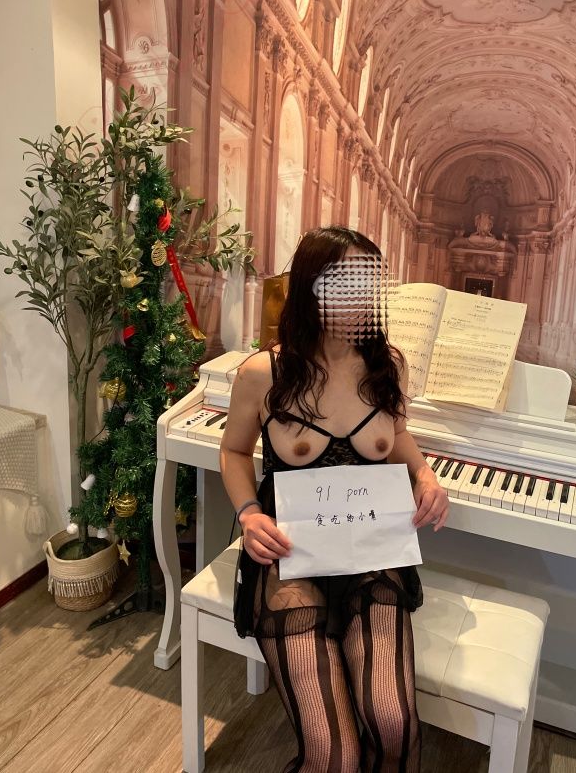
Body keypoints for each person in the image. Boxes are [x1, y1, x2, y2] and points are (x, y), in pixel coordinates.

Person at [220, 227, 450, 773]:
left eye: (368, 283)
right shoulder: (264, 372)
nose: (359, 297)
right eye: (342, 282)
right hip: (289, 554)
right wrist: (249, 514)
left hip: (369, 553)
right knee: (335, 756)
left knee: (394, 723)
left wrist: (424, 474)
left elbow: (396, 434)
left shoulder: (386, 365)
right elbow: (233, 451)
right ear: (310, 287)